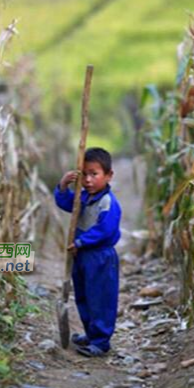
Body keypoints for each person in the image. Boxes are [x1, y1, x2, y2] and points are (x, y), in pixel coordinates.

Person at [54, 147, 122, 357]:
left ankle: (101, 341)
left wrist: (82, 241)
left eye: (94, 174)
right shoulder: (83, 198)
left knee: (100, 298)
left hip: (99, 256)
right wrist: (64, 185)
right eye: (84, 174)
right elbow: (67, 204)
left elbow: (105, 230)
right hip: (81, 256)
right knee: (83, 295)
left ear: (108, 175)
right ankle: (91, 334)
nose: (89, 180)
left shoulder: (108, 203)